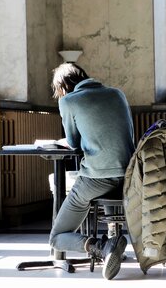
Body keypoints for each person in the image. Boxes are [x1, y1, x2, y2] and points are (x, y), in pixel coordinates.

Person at [48, 63, 135, 280]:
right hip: (130, 176)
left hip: (97, 179)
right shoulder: (117, 94)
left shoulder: (69, 101)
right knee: (102, 181)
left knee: (57, 237)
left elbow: (73, 143)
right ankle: (113, 239)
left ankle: (103, 246)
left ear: (63, 86)